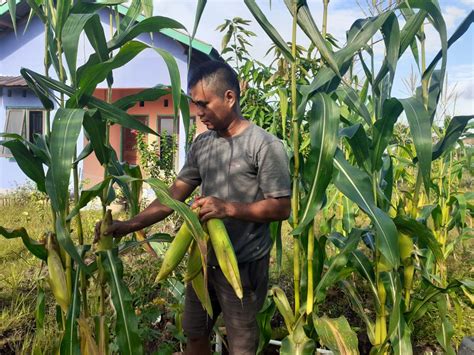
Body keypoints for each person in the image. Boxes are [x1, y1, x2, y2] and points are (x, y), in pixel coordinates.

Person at [97, 60, 291, 354]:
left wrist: (229, 208)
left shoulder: (264, 146)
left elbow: (281, 208)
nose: (198, 113)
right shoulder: (203, 144)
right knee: (195, 333)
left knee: (241, 345)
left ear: (230, 97)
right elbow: (173, 195)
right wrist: (127, 226)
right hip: (202, 261)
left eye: (204, 104)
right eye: (194, 104)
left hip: (243, 264)